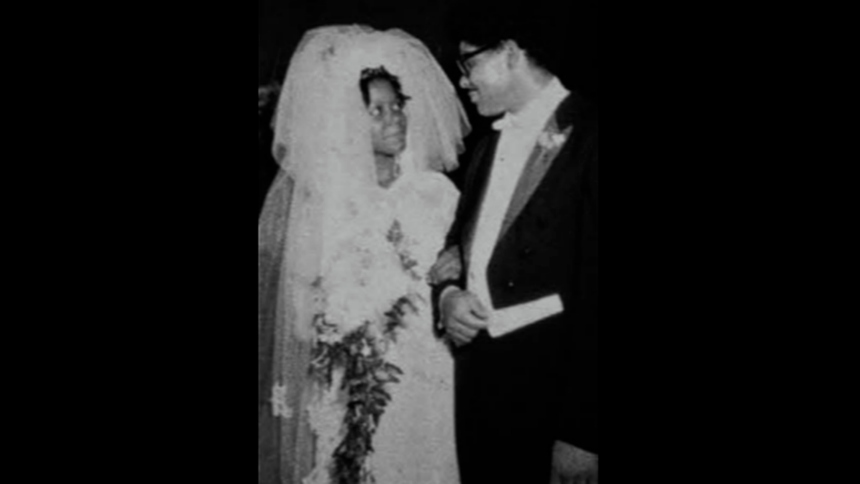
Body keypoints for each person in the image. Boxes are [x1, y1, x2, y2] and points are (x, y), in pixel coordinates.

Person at [258, 25, 470, 484]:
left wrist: (461, 259)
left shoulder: (437, 191)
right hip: (360, 376)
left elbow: (472, 264)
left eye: (398, 106)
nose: (395, 119)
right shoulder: (324, 204)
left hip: (435, 365)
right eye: (376, 111)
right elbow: (300, 313)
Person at [429, 11, 599, 484]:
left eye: (469, 64)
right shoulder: (485, 147)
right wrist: (447, 297)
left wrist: (584, 433)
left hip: (552, 404)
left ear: (509, 51)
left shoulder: (590, 133)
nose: (463, 82)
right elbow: (455, 248)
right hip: (481, 392)